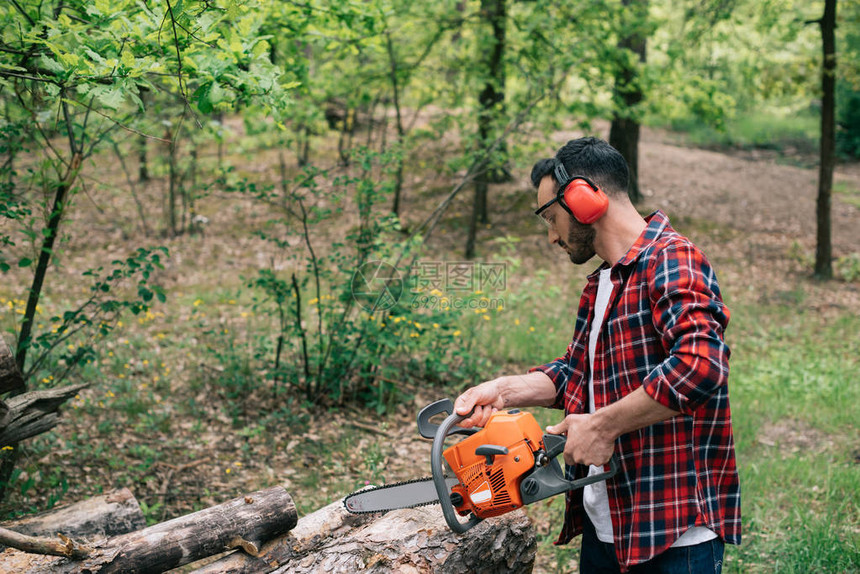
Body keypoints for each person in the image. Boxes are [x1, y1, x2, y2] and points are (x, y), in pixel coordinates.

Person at [454, 137, 740, 573]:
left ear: (586, 200)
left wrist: (602, 425)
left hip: (673, 533)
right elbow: (576, 373)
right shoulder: (604, 280)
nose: (551, 236)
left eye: (552, 218)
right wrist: (505, 391)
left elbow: (701, 364)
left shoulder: (672, 259)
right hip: (609, 524)